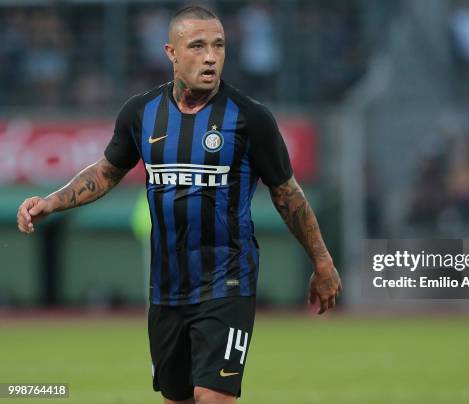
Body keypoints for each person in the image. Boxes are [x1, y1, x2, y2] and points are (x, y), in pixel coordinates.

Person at [16, 5, 342, 404]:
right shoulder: (141, 113)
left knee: (213, 396)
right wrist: (51, 202)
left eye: (219, 46)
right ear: (171, 52)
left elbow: (288, 195)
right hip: (167, 289)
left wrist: (322, 262)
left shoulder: (251, 118)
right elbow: (106, 172)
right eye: (198, 46)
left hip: (228, 282)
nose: (210, 56)